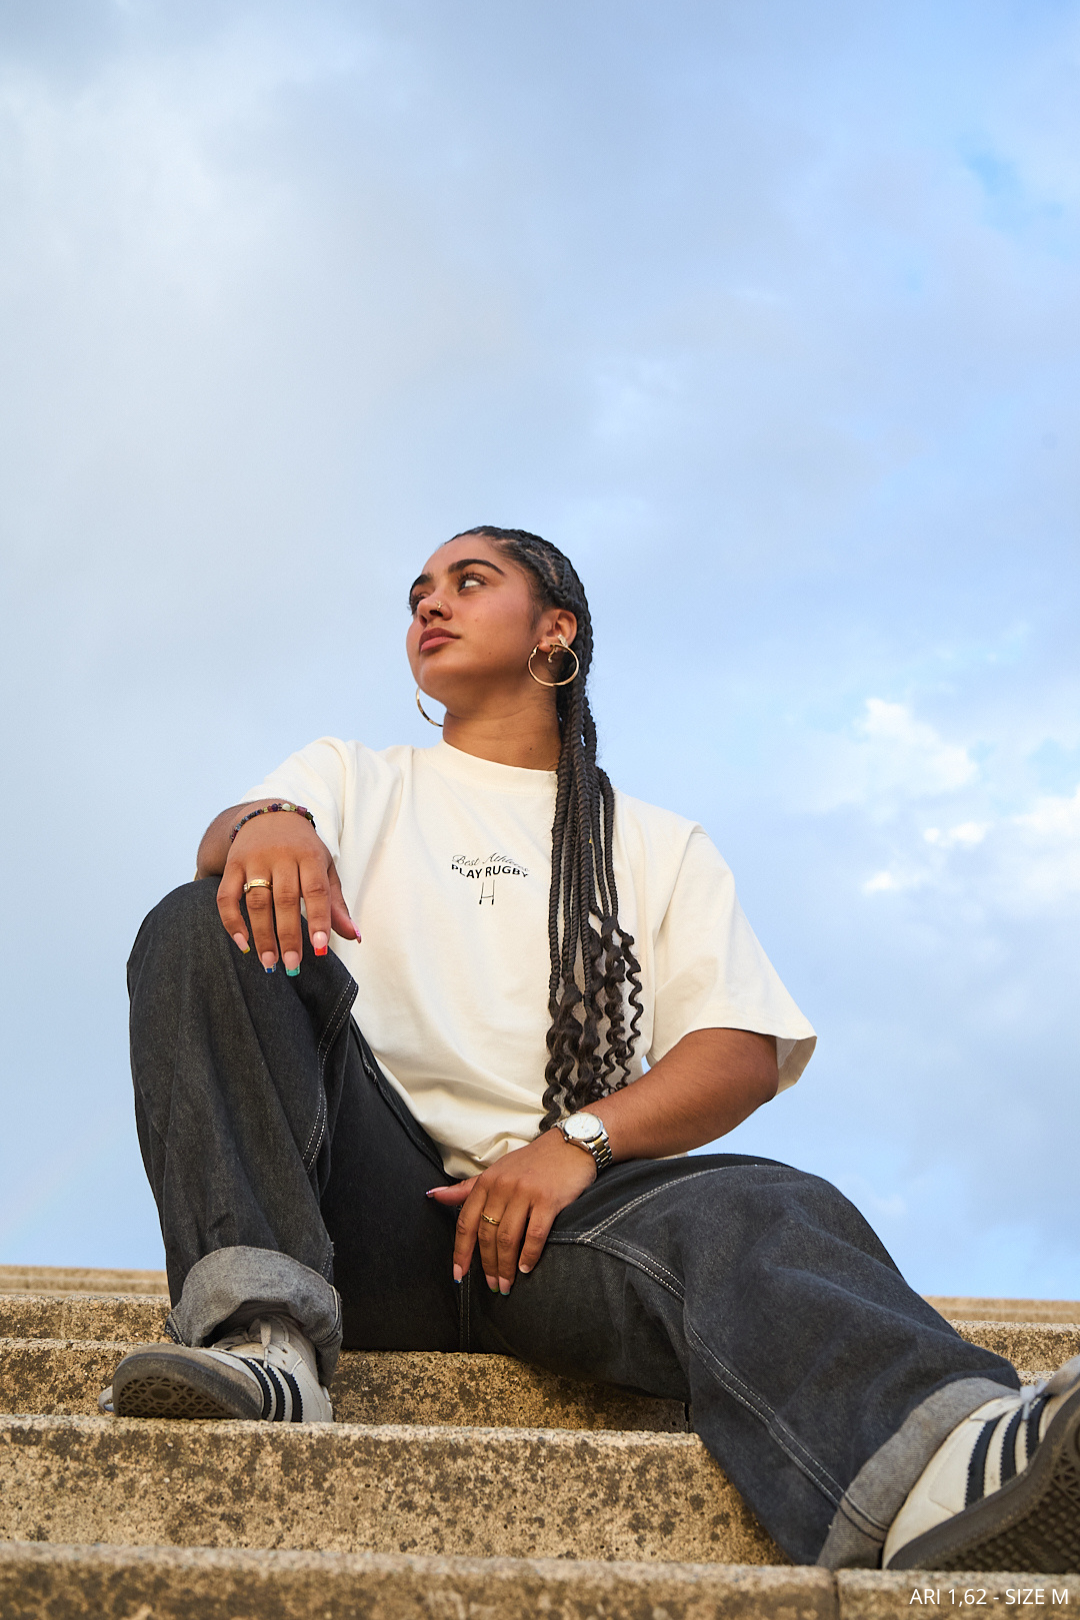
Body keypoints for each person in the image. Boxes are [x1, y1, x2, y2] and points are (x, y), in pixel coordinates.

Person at [107, 526, 1080, 1573]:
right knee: (197, 921)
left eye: (469, 582)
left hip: (557, 1236)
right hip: (362, 1219)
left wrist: (576, 1144)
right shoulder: (351, 775)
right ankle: (264, 1344)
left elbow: (740, 1048)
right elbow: (229, 847)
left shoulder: (658, 843)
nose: (430, 604)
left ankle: (946, 1474)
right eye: (419, 592)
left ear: (554, 630)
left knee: (765, 1203)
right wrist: (265, 820)